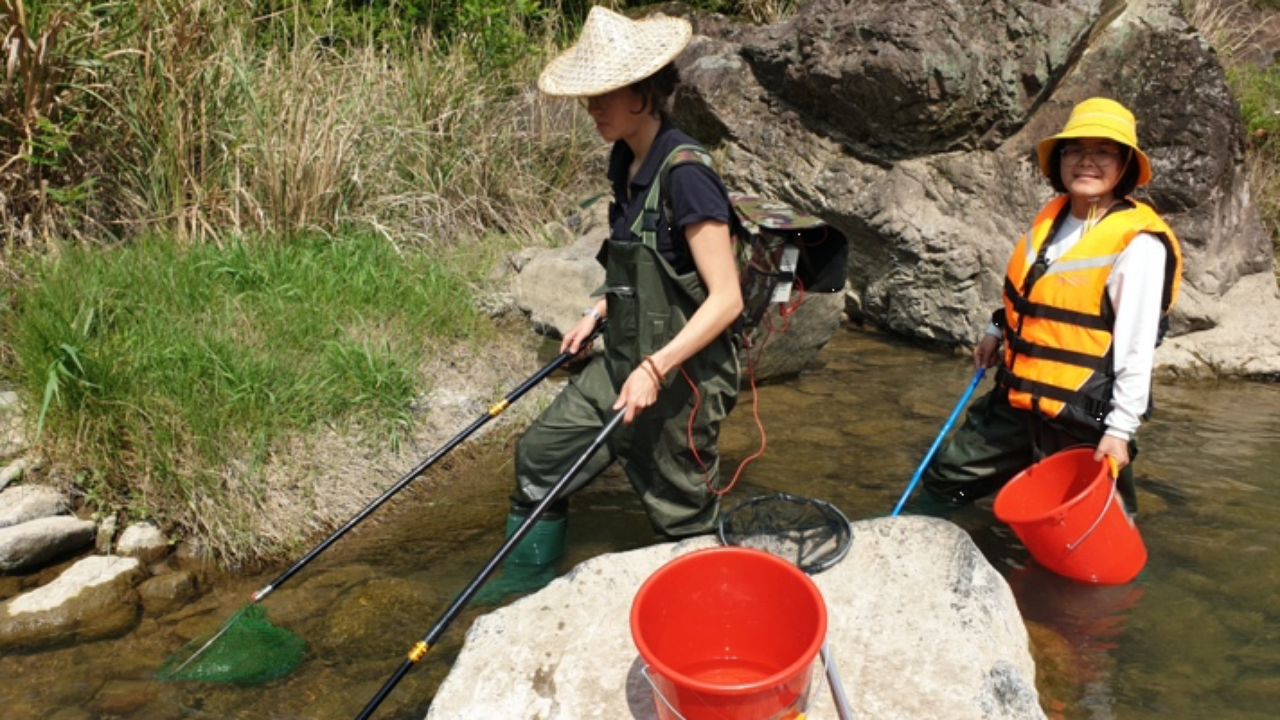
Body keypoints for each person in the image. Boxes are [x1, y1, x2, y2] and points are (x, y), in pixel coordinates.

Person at [481, 6, 743, 600]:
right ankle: (520, 599)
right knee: (541, 456)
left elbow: (725, 300)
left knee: (682, 515)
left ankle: (710, 614)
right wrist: (597, 309)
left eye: (603, 95)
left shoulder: (687, 175)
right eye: (589, 96)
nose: (591, 108)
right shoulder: (624, 160)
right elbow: (631, 261)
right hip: (623, 359)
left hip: (682, 378)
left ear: (643, 92)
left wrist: (657, 368)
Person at [920, 97, 1183, 515]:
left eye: (1103, 152)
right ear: (1060, 160)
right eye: (1076, 150)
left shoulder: (1140, 245)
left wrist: (1119, 430)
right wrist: (995, 331)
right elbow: (1036, 292)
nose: (1087, 162)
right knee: (944, 477)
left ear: (1124, 166)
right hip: (1017, 399)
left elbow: (1135, 346)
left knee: (1089, 527)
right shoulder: (1052, 221)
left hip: (1087, 418)